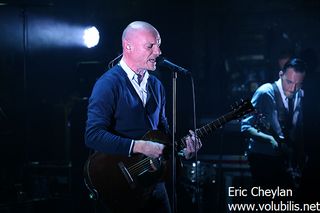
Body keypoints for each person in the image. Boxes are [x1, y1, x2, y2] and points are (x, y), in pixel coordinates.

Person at [84, 21, 201, 213]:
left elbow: (162, 137)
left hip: (154, 184)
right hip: (121, 183)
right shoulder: (108, 84)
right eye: (150, 46)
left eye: (158, 45)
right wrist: (139, 146)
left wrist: (182, 152)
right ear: (128, 46)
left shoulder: (156, 86)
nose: (158, 52)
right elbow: (92, 135)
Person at [241, 58, 307, 193]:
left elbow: (296, 128)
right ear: (281, 75)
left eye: (298, 84)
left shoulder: (299, 94)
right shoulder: (265, 92)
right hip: (262, 159)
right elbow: (245, 126)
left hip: (286, 160)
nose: (293, 88)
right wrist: (269, 139)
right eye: (289, 82)